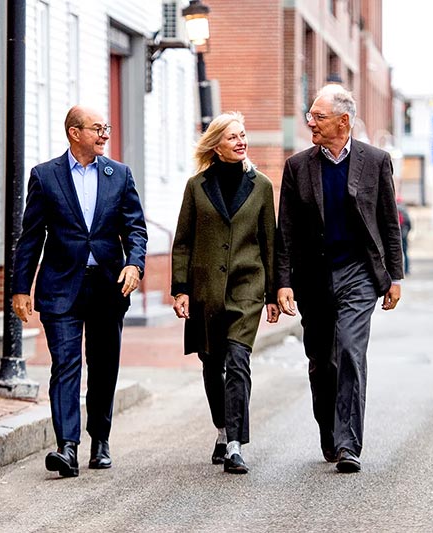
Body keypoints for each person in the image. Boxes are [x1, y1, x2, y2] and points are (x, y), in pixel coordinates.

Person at [12, 105, 148, 478]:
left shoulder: (119, 175)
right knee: (66, 365)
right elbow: (31, 236)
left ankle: (99, 439)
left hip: (107, 284)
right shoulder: (45, 176)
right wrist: (20, 287)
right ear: (75, 132)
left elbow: (135, 228)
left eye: (106, 128)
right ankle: (67, 447)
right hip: (61, 286)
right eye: (97, 129)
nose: (105, 134)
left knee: (104, 367)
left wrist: (134, 264)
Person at [275, 84, 404, 473]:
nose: (309, 122)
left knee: (349, 349)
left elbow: (388, 223)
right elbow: (287, 231)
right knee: (321, 360)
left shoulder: (376, 161)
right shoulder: (298, 166)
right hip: (314, 275)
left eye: (318, 116)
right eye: (310, 116)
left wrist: (395, 276)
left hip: (359, 273)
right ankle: (330, 433)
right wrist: (282, 282)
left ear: (343, 121)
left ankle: (349, 444)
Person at [171, 112, 279, 474]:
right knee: (210, 362)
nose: (241, 141)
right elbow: (183, 241)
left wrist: (275, 292)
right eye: (233, 137)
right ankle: (222, 428)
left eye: (243, 135)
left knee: (238, 360)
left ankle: (235, 443)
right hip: (206, 290)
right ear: (216, 145)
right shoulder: (196, 186)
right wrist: (180, 289)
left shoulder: (261, 185)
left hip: (247, 286)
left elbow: (270, 242)